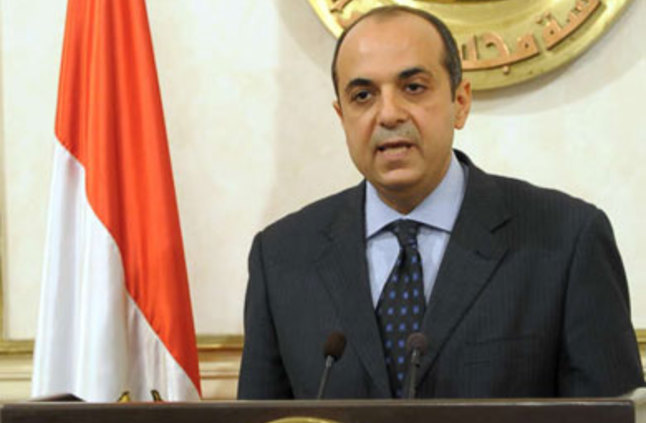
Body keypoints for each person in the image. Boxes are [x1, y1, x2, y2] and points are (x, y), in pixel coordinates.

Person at [237, 5, 644, 399]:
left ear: (460, 103)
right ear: (341, 116)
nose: (389, 114)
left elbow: (610, 414)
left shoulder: (567, 239)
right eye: (363, 95)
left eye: (413, 88)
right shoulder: (280, 257)